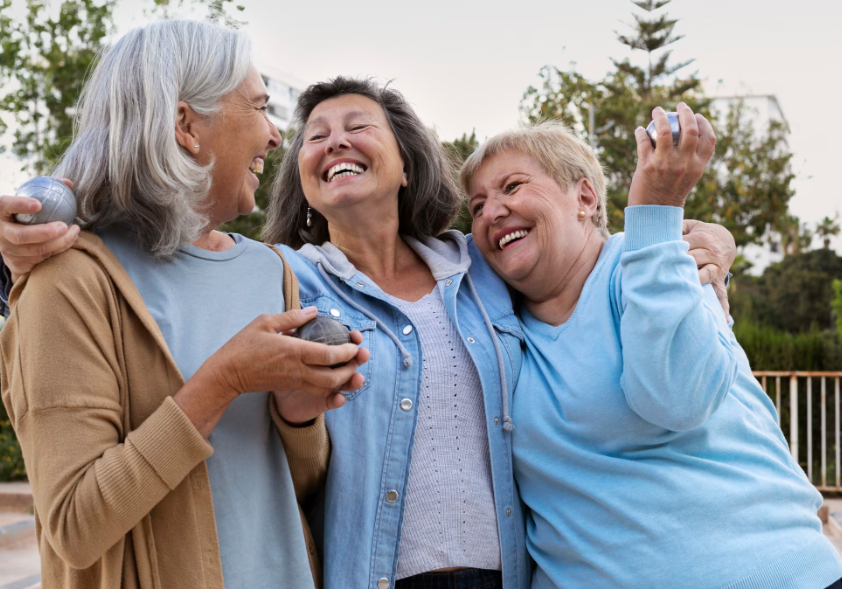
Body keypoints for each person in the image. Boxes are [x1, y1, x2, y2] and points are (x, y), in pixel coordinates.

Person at [0, 77, 737, 589]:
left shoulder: (478, 265)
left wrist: (705, 243)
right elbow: (157, 246)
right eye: (314, 137)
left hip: (508, 571)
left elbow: (582, 256)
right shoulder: (279, 276)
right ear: (306, 181)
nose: (332, 141)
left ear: (406, 160)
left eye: (357, 126)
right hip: (369, 573)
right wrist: (25, 234)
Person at [0, 20, 367, 589]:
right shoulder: (68, 282)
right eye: (259, 107)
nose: (275, 137)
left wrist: (299, 414)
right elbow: (73, 526)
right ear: (185, 125)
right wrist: (222, 382)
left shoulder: (269, 270)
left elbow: (296, 486)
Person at [461, 108, 842, 589]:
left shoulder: (658, 258)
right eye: (476, 207)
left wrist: (657, 212)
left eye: (512, 187)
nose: (492, 212)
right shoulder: (491, 323)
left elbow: (678, 399)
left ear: (583, 196)